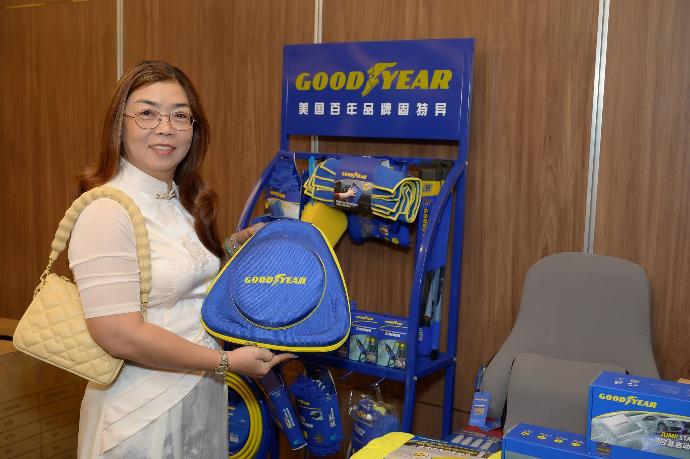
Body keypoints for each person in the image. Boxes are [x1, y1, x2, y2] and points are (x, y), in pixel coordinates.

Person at [68, 61, 294, 458]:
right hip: (141, 412)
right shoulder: (106, 210)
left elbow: (173, 274)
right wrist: (226, 361)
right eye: (147, 113)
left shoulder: (180, 199)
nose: (165, 128)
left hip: (200, 394)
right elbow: (118, 334)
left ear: (194, 128)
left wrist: (229, 249)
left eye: (180, 115)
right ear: (119, 124)